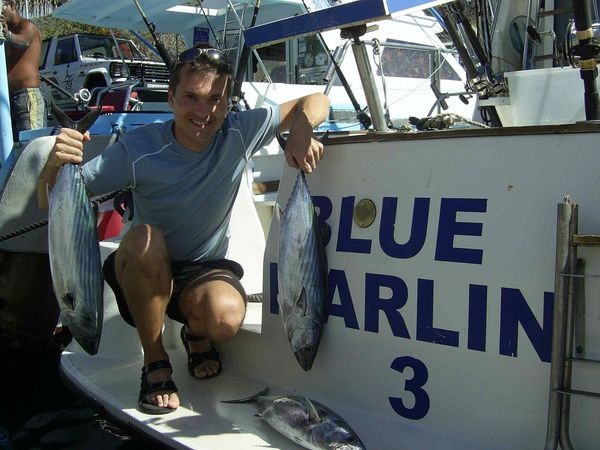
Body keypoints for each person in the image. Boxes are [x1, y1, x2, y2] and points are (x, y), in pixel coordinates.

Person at [37, 46, 330, 415]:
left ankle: (196, 333)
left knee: (225, 317)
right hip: (145, 266)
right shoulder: (138, 149)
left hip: (202, 269)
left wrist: (302, 127)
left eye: (215, 99)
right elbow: (50, 202)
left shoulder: (240, 132)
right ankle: (155, 358)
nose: (203, 112)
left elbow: (316, 100)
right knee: (146, 238)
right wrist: (56, 163)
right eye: (191, 97)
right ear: (171, 99)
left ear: (227, 103)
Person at [1, 0, 46, 138]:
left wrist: (7, 34)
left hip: (27, 96)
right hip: (8, 98)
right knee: (13, 144)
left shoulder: (27, 26)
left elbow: (24, 41)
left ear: (11, 6)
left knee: (30, 142)